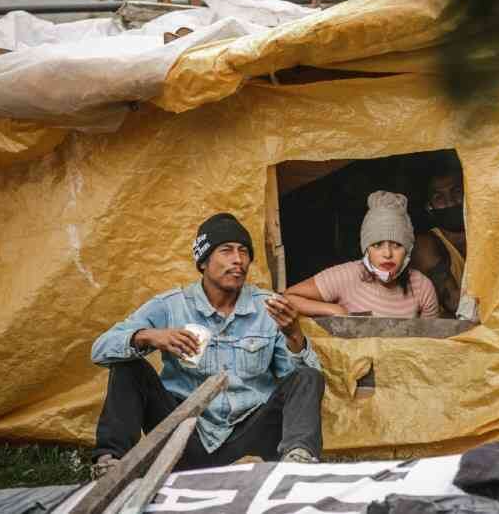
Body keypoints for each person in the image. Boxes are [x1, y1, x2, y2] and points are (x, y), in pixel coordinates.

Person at [90, 213, 324, 477]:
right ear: (203, 262)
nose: (238, 260)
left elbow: (302, 380)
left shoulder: (268, 306)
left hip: (248, 439)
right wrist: (149, 336)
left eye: (244, 252)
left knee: (307, 375)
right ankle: (111, 467)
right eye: (226, 251)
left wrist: (294, 336)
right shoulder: (171, 305)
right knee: (128, 366)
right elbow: (100, 349)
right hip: (183, 438)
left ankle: (298, 467)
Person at [286, 191, 439, 318]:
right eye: (377, 245)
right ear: (366, 249)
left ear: (408, 250)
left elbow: (431, 347)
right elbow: (287, 298)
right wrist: (335, 310)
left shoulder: (423, 287)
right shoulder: (348, 274)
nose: (387, 254)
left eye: (397, 245)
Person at [411, 162, 466, 318]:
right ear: (429, 207)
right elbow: (455, 304)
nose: (450, 202)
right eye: (439, 197)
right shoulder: (425, 245)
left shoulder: (488, 236)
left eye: (456, 192)